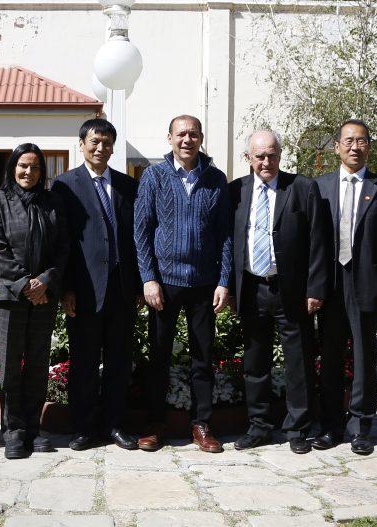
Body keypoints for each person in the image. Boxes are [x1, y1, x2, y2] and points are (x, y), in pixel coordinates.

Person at [133, 115, 232, 453]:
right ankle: (155, 424)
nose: (187, 139)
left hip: (204, 284)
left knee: (203, 357)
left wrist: (223, 280)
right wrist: (148, 278)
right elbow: (142, 231)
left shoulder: (216, 179)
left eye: (193, 134)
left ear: (201, 137)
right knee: (159, 357)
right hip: (164, 283)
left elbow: (225, 236)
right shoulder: (154, 176)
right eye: (181, 134)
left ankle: (201, 425)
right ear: (170, 138)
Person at [228, 130, 327, 454]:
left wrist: (315, 288)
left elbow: (317, 242)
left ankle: (297, 428)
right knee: (255, 364)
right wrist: (227, 286)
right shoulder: (236, 192)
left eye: (271, 154)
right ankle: (258, 426)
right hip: (253, 289)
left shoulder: (301, 188)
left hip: (291, 292)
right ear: (249, 158)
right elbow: (228, 244)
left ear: (280, 155)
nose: (266, 161)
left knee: (298, 363)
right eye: (259, 156)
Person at [313, 119, 377, 456]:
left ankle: (361, 426)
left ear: (369, 146)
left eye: (361, 141)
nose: (355, 147)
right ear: (336, 146)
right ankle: (331, 426)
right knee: (331, 356)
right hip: (330, 283)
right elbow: (313, 242)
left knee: (364, 355)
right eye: (348, 141)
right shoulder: (318, 186)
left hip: (367, 282)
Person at [51, 118, 140, 451]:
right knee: (85, 362)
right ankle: (83, 428)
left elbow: (136, 237)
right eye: (94, 142)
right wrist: (66, 289)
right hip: (84, 289)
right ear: (82, 144)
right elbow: (63, 242)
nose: (100, 148)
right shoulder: (65, 185)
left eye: (106, 142)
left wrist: (140, 285)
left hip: (121, 287)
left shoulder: (127, 185)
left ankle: (115, 425)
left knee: (119, 361)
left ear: (113, 147)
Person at [0, 143, 68, 459]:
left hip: (44, 296)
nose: (28, 172)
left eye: (34, 167)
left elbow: (63, 249)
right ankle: (13, 431)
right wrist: (23, 284)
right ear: (12, 168)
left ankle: (34, 428)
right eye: (22, 166)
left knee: (37, 362)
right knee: (10, 364)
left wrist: (45, 281)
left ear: (41, 171)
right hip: (10, 295)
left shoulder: (52, 203)